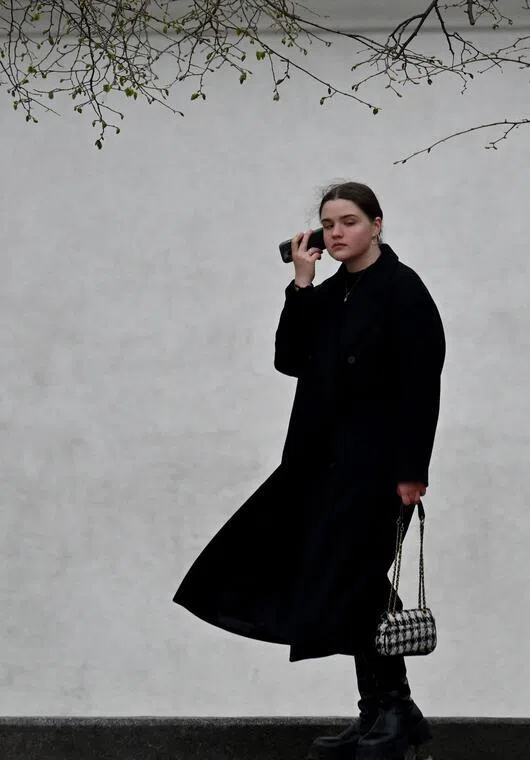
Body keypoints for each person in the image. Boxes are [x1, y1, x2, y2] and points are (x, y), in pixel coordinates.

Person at [173, 181, 446, 760]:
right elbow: (289, 360)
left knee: (360, 578)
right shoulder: (327, 296)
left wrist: (411, 471)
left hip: (375, 468)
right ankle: (382, 711)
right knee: (346, 580)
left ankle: (391, 710)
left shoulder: (403, 291)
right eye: (329, 223)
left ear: (377, 224)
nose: (337, 232)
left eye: (349, 220)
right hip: (316, 466)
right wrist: (301, 284)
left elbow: (422, 387)